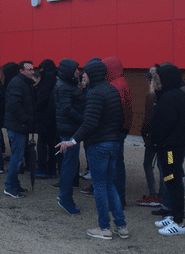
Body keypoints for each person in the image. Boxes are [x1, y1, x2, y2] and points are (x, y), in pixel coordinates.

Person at [56, 58, 128, 240]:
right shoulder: (111, 89)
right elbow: (118, 118)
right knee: (109, 185)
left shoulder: (96, 93)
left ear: (93, 74)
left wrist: (71, 141)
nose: (82, 74)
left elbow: (90, 123)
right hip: (113, 143)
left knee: (100, 187)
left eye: (85, 72)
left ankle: (104, 227)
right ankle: (121, 225)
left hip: (99, 146)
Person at [148, 64, 185, 236]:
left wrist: (156, 143)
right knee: (170, 179)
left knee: (171, 180)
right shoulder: (180, 95)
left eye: (158, 78)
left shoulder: (168, 98)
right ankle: (174, 214)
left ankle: (178, 222)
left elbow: (162, 126)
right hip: (176, 147)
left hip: (169, 150)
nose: (156, 81)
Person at [54, 58, 86, 215]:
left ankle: (64, 196)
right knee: (70, 164)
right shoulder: (65, 86)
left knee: (69, 163)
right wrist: (84, 120)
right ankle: (65, 198)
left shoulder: (68, 84)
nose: (78, 71)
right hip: (69, 130)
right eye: (75, 69)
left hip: (69, 128)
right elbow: (67, 108)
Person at [3, 61, 36, 198]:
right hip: (17, 126)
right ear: (21, 70)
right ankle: (10, 186)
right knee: (16, 158)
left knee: (17, 156)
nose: (32, 72)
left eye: (33, 69)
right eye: (29, 69)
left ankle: (14, 184)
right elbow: (14, 105)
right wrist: (25, 119)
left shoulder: (24, 83)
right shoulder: (18, 83)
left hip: (20, 125)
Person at [103, 56, 132, 208]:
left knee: (114, 166)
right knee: (117, 164)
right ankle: (118, 198)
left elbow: (115, 110)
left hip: (115, 131)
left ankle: (117, 199)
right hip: (120, 130)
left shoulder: (116, 85)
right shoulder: (122, 82)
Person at [137, 67, 163, 207]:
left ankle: (153, 194)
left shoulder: (151, 95)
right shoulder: (166, 94)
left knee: (148, 164)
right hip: (165, 138)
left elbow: (148, 118)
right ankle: (162, 194)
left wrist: (144, 133)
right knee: (162, 165)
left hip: (152, 137)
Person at [35, 59, 58, 179]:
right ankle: (51, 168)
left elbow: (42, 97)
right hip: (52, 117)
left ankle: (44, 167)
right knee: (51, 143)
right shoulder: (54, 77)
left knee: (43, 143)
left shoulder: (48, 78)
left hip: (45, 117)